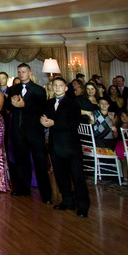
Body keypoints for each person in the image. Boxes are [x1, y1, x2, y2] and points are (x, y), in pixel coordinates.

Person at [40, 77, 90, 217]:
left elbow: (73, 123)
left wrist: (53, 123)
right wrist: (42, 120)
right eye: (55, 85)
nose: (57, 88)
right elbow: (43, 117)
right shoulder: (48, 103)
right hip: (55, 145)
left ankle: (82, 206)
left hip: (71, 146)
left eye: (60, 86)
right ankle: (67, 201)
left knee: (77, 177)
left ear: (66, 88)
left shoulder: (73, 104)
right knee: (61, 176)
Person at [5, 63, 52, 204]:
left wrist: (24, 106)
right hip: (17, 131)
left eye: (24, 71)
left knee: (40, 162)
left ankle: (46, 194)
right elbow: (7, 107)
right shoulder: (13, 89)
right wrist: (11, 103)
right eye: (19, 72)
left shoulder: (38, 90)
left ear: (29, 73)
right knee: (21, 161)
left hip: (34, 131)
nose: (21, 74)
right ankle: (22, 188)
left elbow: (42, 108)